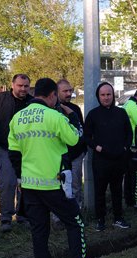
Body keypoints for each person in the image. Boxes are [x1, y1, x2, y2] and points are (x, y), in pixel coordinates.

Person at [8, 78, 103, 258]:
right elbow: (75, 138)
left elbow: (14, 153)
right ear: (52, 95)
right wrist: (73, 118)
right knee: (75, 223)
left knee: (39, 230)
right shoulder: (54, 116)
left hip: (29, 185)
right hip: (54, 184)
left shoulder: (17, 118)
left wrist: (21, 178)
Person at [0, 74, 33, 232]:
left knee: (25, 183)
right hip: (4, 148)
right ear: (13, 85)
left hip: (26, 150)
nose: (23, 89)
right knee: (7, 183)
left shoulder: (32, 102)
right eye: (20, 85)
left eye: (26, 86)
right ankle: (5, 218)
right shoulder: (0, 99)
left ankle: (22, 215)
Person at [84, 82, 133, 231]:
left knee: (117, 190)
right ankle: (100, 220)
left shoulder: (121, 113)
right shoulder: (93, 114)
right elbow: (86, 137)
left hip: (119, 159)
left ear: (113, 95)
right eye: (103, 95)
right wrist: (97, 147)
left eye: (108, 94)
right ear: (98, 96)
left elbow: (129, 133)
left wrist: (125, 147)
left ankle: (118, 218)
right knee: (99, 191)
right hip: (101, 160)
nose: (106, 98)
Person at [57, 79, 86, 209]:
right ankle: (59, 217)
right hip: (57, 157)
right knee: (58, 187)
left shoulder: (74, 108)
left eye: (70, 90)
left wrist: (82, 150)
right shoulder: (51, 110)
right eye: (65, 91)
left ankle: (77, 213)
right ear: (56, 92)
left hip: (75, 155)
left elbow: (81, 129)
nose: (69, 93)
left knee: (76, 186)